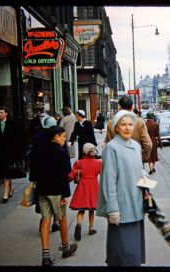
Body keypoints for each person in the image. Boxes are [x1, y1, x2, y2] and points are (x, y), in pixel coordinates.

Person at [96, 110, 148, 266]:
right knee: (121, 254)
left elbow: (139, 170)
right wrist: (112, 209)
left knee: (133, 254)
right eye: (123, 125)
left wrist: (146, 182)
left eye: (130, 124)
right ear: (116, 128)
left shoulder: (136, 146)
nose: (127, 128)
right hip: (122, 208)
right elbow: (108, 181)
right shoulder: (112, 148)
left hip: (136, 203)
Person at [32, 126, 77, 266]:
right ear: (56, 137)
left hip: (42, 190)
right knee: (62, 218)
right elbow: (66, 173)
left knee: (45, 220)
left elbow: (33, 174)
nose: (65, 138)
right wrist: (65, 194)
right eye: (63, 136)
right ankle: (65, 247)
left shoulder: (38, 151)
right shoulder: (61, 152)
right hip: (57, 191)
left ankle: (45, 255)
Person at [29, 115, 61, 233]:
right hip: (56, 175)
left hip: (42, 175)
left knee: (44, 201)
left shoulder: (37, 138)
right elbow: (64, 158)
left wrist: (33, 176)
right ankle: (55, 223)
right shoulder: (58, 137)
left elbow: (33, 158)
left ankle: (45, 220)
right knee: (57, 201)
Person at [0, 107, 22, 203]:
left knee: (7, 172)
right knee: (5, 171)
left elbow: (18, 139)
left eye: (1, 112)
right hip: (0, 152)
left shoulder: (13, 124)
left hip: (11, 152)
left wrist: (18, 154)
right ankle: (11, 188)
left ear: (6, 113)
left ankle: (5, 192)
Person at [68, 143, 102, 241]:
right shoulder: (98, 163)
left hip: (82, 187)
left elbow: (72, 175)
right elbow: (103, 174)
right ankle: (91, 227)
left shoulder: (79, 163)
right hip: (93, 186)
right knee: (91, 209)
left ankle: (79, 223)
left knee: (81, 209)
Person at [104, 95, 152, 162]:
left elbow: (108, 145)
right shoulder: (140, 122)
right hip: (136, 160)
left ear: (119, 107)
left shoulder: (111, 123)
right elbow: (148, 144)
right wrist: (142, 158)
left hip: (118, 161)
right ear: (132, 107)